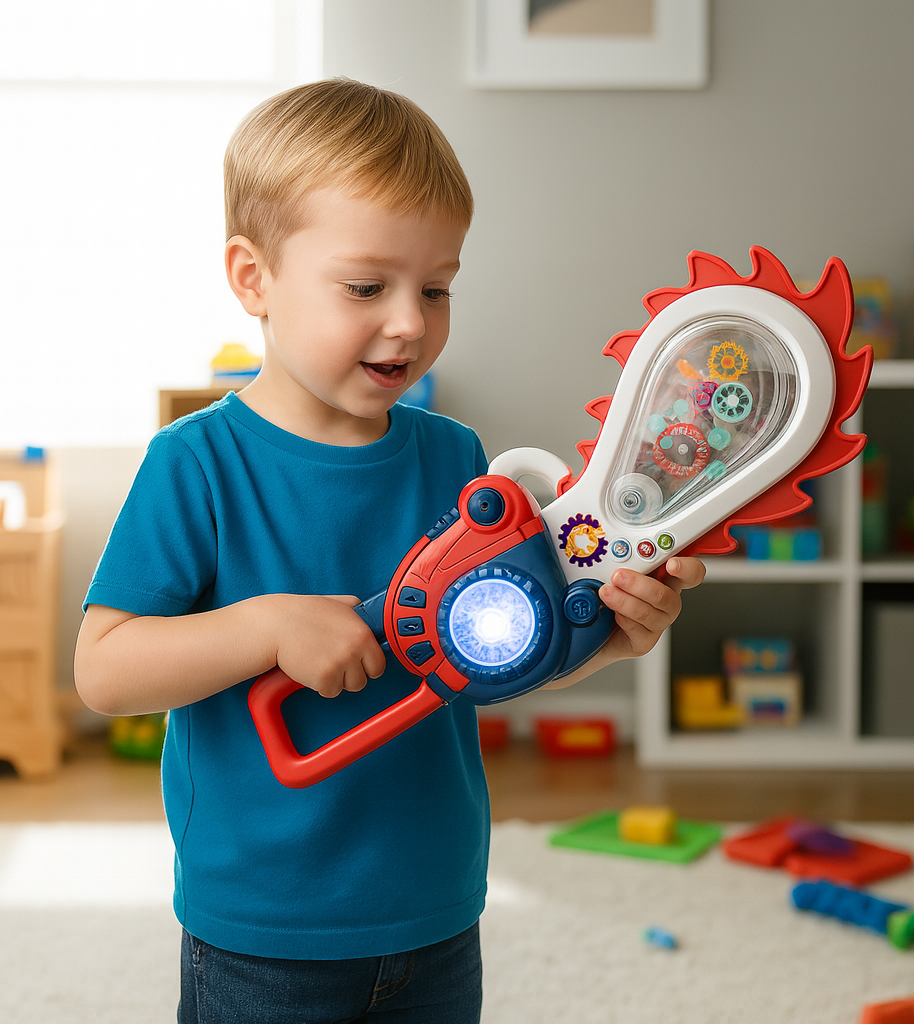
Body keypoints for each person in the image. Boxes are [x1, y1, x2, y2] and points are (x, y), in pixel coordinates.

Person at [74, 78, 705, 1024]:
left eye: (436, 287)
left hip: (435, 908)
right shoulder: (196, 464)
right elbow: (104, 672)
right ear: (253, 278)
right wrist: (266, 626)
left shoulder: (456, 459)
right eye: (367, 288)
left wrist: (606, 642)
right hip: (264, 929)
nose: (411, 320)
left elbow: (486, 660)